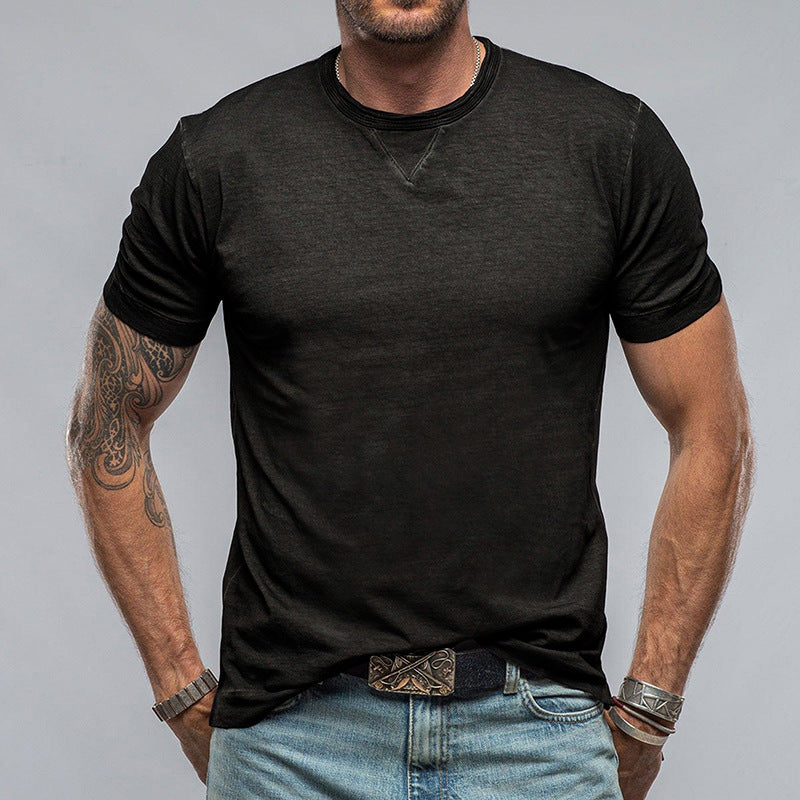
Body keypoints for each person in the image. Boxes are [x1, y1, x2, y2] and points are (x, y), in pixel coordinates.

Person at [65, 2, 755, 799]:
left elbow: (712, 427)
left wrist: (649, 707)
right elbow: (107, 419)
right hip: (291, 746)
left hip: (534, 742)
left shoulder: (610, 145)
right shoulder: (216, 159)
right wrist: (180, 685)